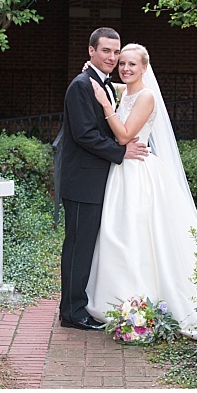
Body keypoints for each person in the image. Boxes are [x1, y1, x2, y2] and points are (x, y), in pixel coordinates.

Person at [84, 44, 197, 337]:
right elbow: (109, 82)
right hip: (120, 171)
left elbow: (125, 135)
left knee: (140, 232)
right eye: (122, 63)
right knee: (118, 232)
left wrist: (105, 105)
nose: (125, 68)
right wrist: (93, 73)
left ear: (144, 68)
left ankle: (147, 302)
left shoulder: (147, 96)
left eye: (132, 65)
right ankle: (119, 298)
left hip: (138, 171)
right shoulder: (125, 90)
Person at [54, 27, 148, 331]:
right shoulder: (82, 85)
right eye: (105, 50)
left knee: (88, 246)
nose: (112, 57)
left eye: (115, 51)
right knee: (78, 246)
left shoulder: (103, 83)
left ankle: (78, 306)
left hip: (98, 181)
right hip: (82, 182)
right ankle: (72, 313)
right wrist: (121, 153)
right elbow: (84, 135)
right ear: (91, 51)